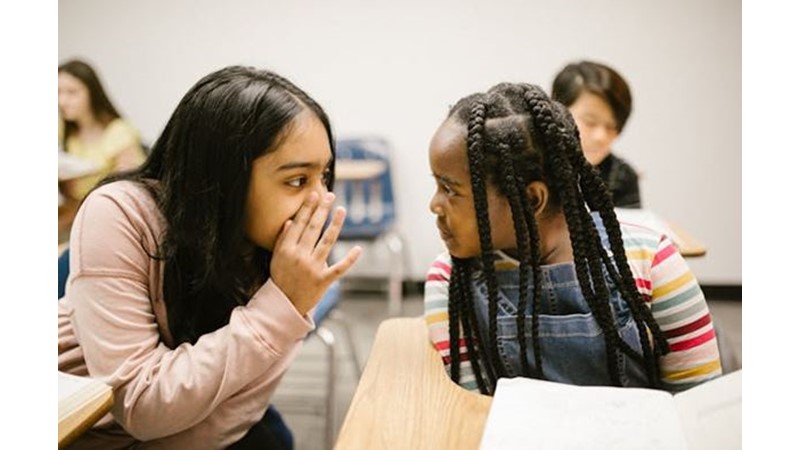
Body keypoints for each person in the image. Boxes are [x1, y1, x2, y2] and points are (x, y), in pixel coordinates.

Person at [57, 65, 363, 449]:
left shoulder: (283, 255)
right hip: (85, 424)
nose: (322, 199)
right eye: (298, 180)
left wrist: (285, 300)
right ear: (223, 178)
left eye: (325, 175)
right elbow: (140, 407)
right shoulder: (119, 212)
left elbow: (234, 418)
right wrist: (280, 305)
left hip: (202, 412)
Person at [424, 82, 721, 397]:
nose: (434, 205)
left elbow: (697, 405)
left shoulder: (653, 262)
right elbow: (472, 407)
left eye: (451, 189)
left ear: (532, 199)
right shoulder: (449, 278)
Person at [58, 59, 146, 241]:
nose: (62, 101)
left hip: (108, 220)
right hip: (75, 216)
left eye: (71, 92)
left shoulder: (119, 132)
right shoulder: (63, 131)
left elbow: (128, 191)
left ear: (92, 93)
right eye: (57, 92)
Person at [551, 60, 641, 208]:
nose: (601, 137)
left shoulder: (621, 177)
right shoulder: (528, 163)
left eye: (612, 126)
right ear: (556, 111)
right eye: (590, 122)